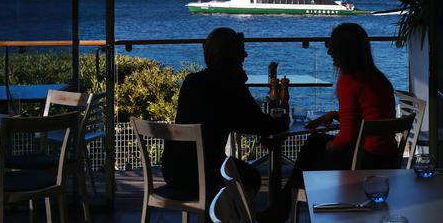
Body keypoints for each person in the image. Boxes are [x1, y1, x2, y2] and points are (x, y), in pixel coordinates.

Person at [261, 23, 396, 222]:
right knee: (315, 142)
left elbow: (349, 136)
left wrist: (331, 146)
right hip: (387, 157)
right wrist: (335, 115)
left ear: (344, 50)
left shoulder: (349, 81)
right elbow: (371, 120)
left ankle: (284, 204)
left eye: (332, 46)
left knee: (311, 153)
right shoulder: (379, 79)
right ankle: (281, 206)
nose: (328, 50)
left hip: (363, 160)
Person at [161, 27, 289, 202]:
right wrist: (284, 119)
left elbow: (237, 119)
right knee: (251, 177)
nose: (246, 55)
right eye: (242, 51)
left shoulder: (191, 82)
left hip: (174, 170)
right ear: (233, 55)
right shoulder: (230, 85)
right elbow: (257, 123)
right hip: (205, 173)